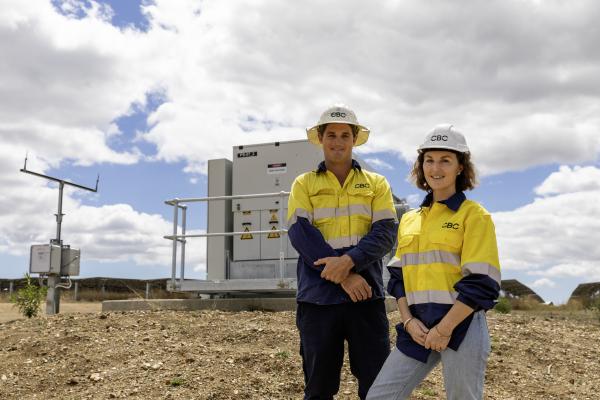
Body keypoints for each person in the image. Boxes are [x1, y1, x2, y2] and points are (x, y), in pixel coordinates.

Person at [367, 124, 501, 400]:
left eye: (445, 160)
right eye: (429, 160)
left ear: (460, 167)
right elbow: (398, 278)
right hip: (417, 327)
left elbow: (482, 283)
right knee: (380, 396)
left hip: (461, 326)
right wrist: (408, 322)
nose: (435, 167)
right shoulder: (411, 218)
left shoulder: (474, 216)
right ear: (421, 165)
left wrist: (444, 329)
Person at [287, 105, 398, 400]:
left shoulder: (377, 184)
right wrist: (345, 277)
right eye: (332, 135)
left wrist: (348, 262)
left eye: (345, 135)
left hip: (366, 297)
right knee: (319, 387)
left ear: (354, 139)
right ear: (321, 139)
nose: (338, 141)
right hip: (318, 299)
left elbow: (385, 233)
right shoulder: (304, 183)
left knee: (377, 386)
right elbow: (300, 233)